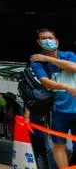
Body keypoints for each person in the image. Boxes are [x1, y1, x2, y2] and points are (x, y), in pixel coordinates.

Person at [31, 28, 76, 168]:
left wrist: (46, 58)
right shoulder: (36, 61)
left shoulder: (68, 55)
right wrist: (66, 87)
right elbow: (45, 81)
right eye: (43, 38)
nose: (47, 40)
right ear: (39, 42)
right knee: (58, 144)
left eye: (50, 37)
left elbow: (73, 67)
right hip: (57, 110)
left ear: (56, 40)